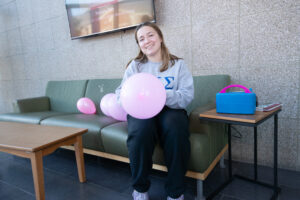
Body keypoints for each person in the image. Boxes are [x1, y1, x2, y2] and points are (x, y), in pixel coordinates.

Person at [115, 22, 194, 200]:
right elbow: (120, 93)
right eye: (141, 39)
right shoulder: (135, 66)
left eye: (150, 35)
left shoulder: (178, 65)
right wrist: (129, 101)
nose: (146, 41)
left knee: (175, 127)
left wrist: (159, 93)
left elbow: (187, 96)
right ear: (139, 45)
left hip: (171, 110)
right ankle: (140, 189)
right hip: (142, 111)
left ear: (160, 38)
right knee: (141, 130)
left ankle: (175, 191)